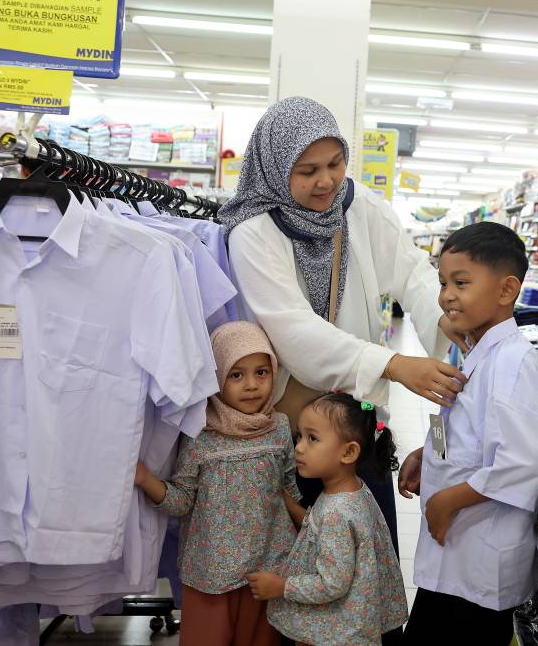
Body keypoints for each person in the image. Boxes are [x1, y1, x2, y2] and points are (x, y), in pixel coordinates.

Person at [219, 97, 469, 548]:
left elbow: (411, 270)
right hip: (292, 430)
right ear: (275, 168)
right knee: (301, 559)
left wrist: (453, 317)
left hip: (355, 421)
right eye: (307, 170)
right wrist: (392, 364)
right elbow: (292, 329)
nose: (327, 180)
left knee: (366, 557)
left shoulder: (358, 205)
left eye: (336, 163)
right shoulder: (253, 231)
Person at [397, 222, 538, 645]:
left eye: (461, 283)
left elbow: (520, 461)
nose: (447, 294)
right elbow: (473, 431)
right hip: (457, 556)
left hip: (480, 558)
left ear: (506, 290)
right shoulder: (476, 349)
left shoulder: (515, 361)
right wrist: (426, 453)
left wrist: (448, 500)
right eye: (444, 281)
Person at [133, 321, 301, 646]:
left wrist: (315, 527)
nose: (251, 385)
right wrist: (145, 480)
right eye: (236, 375)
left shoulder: (279, 427)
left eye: (261, 372)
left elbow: (287, 489)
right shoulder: (201, 434)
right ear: (217, 375)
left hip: (265, 572)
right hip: (209, 574)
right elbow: (182, 500)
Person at [247, 394, 408, 646]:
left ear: (348, 452)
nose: (299, 447)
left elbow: (332, 584)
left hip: (334, 633)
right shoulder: (355, 491)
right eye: (299, 436)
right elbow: (319, 529)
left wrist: (281, 587)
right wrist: (288, 502)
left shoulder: (336, 512)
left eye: (313, 438)